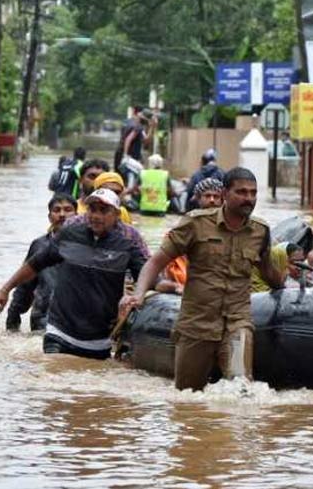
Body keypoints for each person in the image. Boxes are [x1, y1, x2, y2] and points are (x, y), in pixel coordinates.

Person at [120, 167, 285, 391]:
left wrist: (287, 287)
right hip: (196, 324)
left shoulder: (260, 231)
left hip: (237, 322)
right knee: (188, 395)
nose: (249, 198)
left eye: (253, 193)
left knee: (242, 389)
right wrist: (138, 295)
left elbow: (268, 271)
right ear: (225, 194)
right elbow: (155, 262)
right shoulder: (195, 224)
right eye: (242, 192)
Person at [0, 188, 148, 360]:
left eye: (103, 211)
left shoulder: (126, 246)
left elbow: (148, 275)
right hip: (59, 332)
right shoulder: (68, 236)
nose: (96, 215)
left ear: (117, 215)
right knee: (53, 380)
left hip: (100, 341)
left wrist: (161, 289)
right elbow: (34, 265)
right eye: (92, 209)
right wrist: (5, 290)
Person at [5, 193, 77, 332]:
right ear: (50, 217)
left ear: (77, 215)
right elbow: (25, 285)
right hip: (43, 321)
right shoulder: (39, 245)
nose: (62, 214)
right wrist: (13, 318)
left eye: (68, 210)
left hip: (75, 321)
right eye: (57, 210)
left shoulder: (87, 245)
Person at [157, 177, 225, 294]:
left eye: (216, 196)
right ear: (198, 199)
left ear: (222, 200)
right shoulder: (187, 223)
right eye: (207, 196)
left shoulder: (228, 226)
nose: (212, 200)